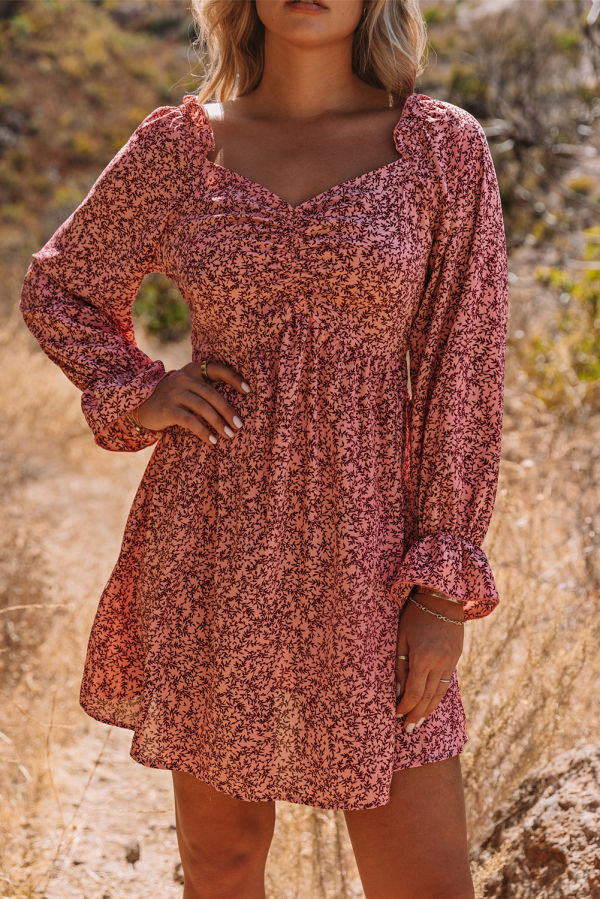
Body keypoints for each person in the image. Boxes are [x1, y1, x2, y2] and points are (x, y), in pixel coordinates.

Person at [19, 0, 508, 896]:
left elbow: (462, 372)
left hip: (372, 555)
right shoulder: (181, 146)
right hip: (214, 537)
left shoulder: (439, 149)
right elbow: (62, 288)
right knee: (224, 859)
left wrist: (439, 592)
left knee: (426, 879)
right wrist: (143, 389)